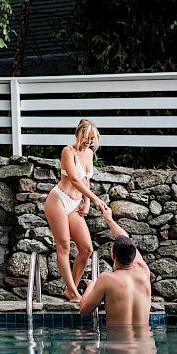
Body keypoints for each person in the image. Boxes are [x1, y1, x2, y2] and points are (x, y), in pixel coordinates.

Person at [44, 119, 108, 302]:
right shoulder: (68, 151)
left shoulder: (89, 153)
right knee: (64, 245)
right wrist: (95, 198)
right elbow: (74, 179)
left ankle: (69, 289)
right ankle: (73, 292)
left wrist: (87, 202)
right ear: (78, 134)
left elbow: (86, 180)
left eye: (92, 138)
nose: (89, 141)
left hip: (75, 204)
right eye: (86, 137)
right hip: (59, 200)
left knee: (86, 249)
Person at [79, 205, 151, 325]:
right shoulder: (144, 271)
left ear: (113, 256)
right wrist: (109, 219)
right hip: (146, 343)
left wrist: (91, 286)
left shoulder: (107, 279)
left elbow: (84, 310)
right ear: (134, 256)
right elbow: (125, 238)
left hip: (117, 344)